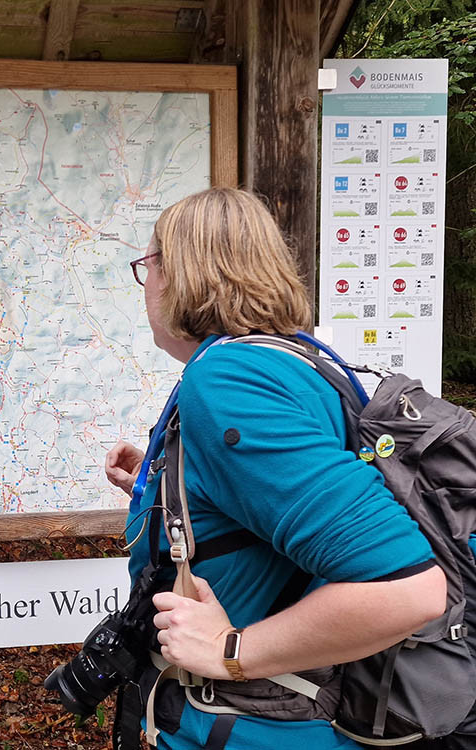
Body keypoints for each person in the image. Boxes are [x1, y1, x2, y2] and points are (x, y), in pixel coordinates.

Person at [103, 187, 446, 750]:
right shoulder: (298, 360)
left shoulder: (228, 380)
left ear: (182, 273)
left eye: (149, 264)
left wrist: (229, 650)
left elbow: (408, 590)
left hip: (252, 729)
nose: (147, 286)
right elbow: (279, 504)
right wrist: (171, 483)